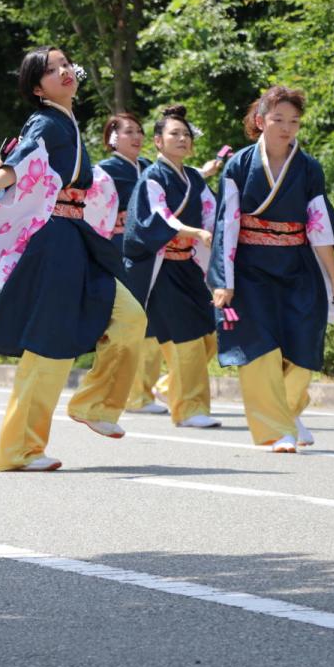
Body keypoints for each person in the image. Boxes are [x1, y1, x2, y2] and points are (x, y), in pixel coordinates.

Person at [0, 47, 147, 472]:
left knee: (130, 318)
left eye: (64, 64)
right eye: (50, 69)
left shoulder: (66, 123)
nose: (62, 71)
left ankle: (94, 404)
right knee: (48, 347)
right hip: (55, 242)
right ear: (36, 86)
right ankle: (19, 450)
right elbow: (21, 161)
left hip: (73, 238)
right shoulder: (46, 121)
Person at [208, 86, 334, 453]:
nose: (287, 128)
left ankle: (286, 412)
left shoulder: (309, 167)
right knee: (260, 351)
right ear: (260, 121)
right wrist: (224, 280)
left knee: (304, 346)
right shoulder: (240, 164)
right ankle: (275, 430)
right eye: (278, 120)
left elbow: (319, 226)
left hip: (298, 266)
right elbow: (227, 224)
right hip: (252, 269)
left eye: (294, 121)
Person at [123, 105, 221, 429]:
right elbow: (158, 218)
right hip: (161, 270)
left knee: (211, 333)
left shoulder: (193, 177)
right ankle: (190, 409)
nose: (182, 139)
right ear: (158, 142)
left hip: (188, 267)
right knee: (187, 340)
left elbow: (213, 211)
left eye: (186, 134)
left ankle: (170, 387)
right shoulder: (152, 177)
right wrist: (194, 232)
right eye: (174, 134)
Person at [95, 113, 167, 416]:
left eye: (139, 131)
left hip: (152, 250)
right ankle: (132, 394)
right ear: (112, 137)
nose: (136, 136)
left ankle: (143, 390)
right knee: (131, 320)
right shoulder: (103, 171)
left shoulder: (149, 167)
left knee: (153, 320)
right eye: (128, 132)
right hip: (120, 251)